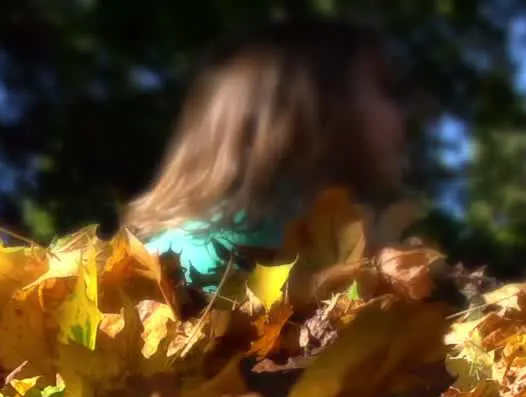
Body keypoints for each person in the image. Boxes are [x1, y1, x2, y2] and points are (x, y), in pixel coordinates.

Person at [122, 18, 412, 294]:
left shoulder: (170, 255)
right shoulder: (205, 266)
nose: (402, 116)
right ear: (314, 107)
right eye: (384, 89)